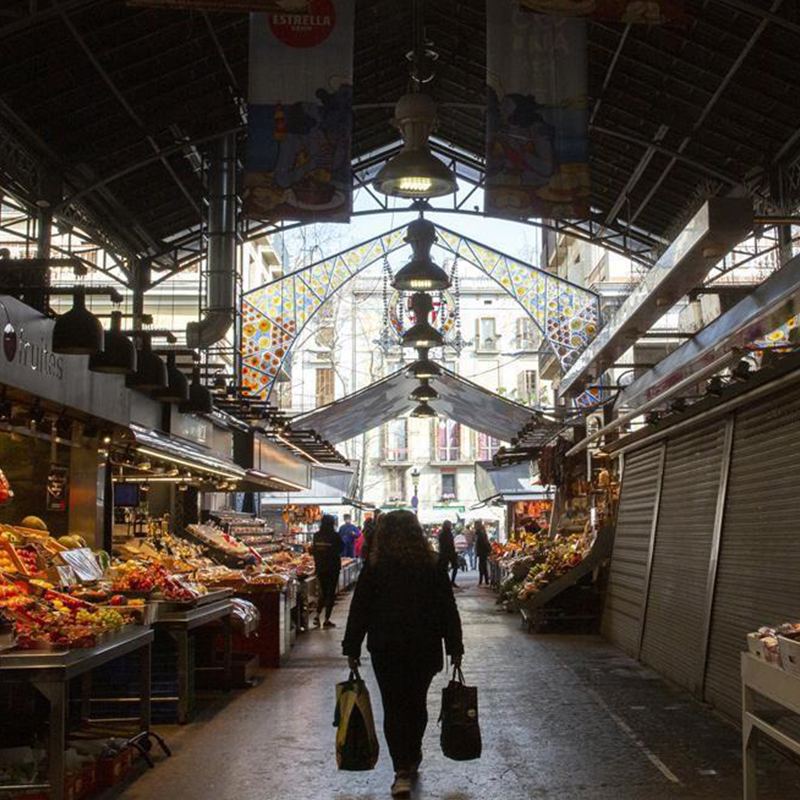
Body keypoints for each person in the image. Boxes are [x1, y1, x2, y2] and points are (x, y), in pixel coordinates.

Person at [342, 511, 463, 798]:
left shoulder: (375, 567)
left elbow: (360, 608)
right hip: (424, 647)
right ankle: (411, 755)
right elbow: (448, 608)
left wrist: (352, 646)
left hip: (387, 648)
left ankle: (401, 770)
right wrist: (455, 647)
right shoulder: (432, 565)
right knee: (416, 704)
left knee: (394, 707)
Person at [311, 514, 343, 628]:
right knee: (330, 594)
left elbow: (313, 551)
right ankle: (326, 619)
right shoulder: (335, 536)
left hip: (320, 568)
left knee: (323, 593)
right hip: (333, 568)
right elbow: (341, 549)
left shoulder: (316, 536)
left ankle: (317, 615)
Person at [438, 520, 459, 588]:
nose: (450, 526)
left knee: (445, 568)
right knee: (453, 567)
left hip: (444, 553)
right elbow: (449, 544)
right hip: (448, 553)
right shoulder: (447, 533)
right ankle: (451, 582)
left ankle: (448, 582)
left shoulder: (443, 533)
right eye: (449, 525)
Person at [475, 521, 491, 587]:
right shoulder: (481, 532)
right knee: (483, 566)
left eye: (475, 525)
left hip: (482, 552)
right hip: (482, 552)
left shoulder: (480, 533)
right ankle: (484, 581)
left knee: (482, 567)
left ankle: (483, 581)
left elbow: (484, 542)